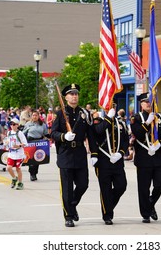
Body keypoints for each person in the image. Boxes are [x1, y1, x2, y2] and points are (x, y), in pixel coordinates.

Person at [51, 83, 98, 228]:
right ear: (65, 97)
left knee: (83, 184)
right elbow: (53, 133)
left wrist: (94, 153)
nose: (74, 96)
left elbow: (91, 135)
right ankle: (68, 216)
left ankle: (72, 205)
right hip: (65, 154)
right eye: (71, 94)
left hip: (79, 153)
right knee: (67, 188)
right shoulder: (60, 114)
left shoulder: (84, 113)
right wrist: (64, 136)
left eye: (76, 93)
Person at [130, 93, 161, 223]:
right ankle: (146, 213)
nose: (148, 103)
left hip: (157, 156)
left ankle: (150, 203)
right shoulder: (136, 118)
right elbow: (138, 133)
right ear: (141, 104)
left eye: (150, 101)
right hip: (143, 157)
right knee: (144, 187)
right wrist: (147, 123)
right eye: (145, 101)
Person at [91, 104, 128, 225]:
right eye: (108, 106)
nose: (111, 108)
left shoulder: (120, 123)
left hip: (117, 160)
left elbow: (125, 140)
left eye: (113, 107)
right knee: (105, 189)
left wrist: (121, 153)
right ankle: (107, 214)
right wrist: (108, 117)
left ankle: (108, 205)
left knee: (121, 185)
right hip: (103, 161)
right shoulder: (98, 121)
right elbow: (98, 131)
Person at [23, 110, 49, 181]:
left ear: (38, 116)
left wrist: (51, 137)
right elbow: (23, 133)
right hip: (30, 142)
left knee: (37, 158)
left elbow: (46, 133)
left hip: (39, 142)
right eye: (33, 115)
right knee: (31, 158)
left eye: (36, 115)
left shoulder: (42, 124)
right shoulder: (28, 124)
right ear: (31, 116)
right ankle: (32, 173)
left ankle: (35, 173)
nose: (34, 117)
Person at [4, 118, 28, 190]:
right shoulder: (9, 133)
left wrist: (19, 146)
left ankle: (20, 183)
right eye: (11, 124)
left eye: (14, 124)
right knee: (8, 167)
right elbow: (7, 141)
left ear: (17, 125)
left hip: (19, 154)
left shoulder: (20, 133)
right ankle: (14, 178)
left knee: (18, 169)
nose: (12, 126)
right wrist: (6, 143)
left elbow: (25, 143)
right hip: (11, 153)